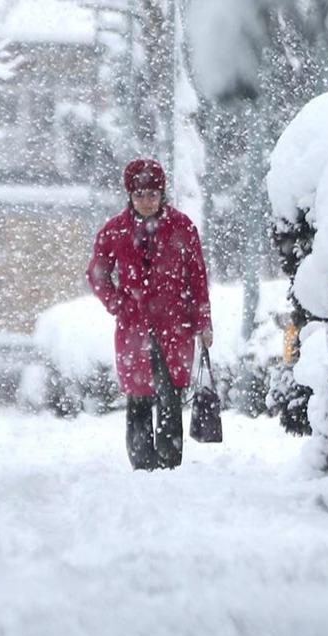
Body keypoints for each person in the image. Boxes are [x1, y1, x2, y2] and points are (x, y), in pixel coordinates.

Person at [87, 158, 214, 470]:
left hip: (176, 325)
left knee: (171, 395)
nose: (146, 201)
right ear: (130, 196)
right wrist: (118, 304)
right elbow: (98, 274)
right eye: (140, 195)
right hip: (134, 328)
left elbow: (197, 278)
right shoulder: (114, 231)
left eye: (153, 195)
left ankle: (170, 461)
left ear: (162, 195)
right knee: (139, 396)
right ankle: (142, 464)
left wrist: (203, 321)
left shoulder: (182, 227)